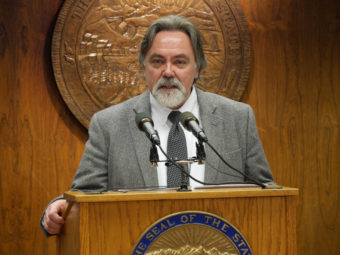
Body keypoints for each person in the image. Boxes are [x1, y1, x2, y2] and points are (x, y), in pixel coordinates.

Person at [41, 15, 275, 236]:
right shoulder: (109, 124)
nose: (168, 72)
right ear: (144, 66)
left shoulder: (237, 118)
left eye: (180, 62)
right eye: (157, 61)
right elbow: (84, 196)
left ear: (197, 68)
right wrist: (57, 208)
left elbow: (267, 193)